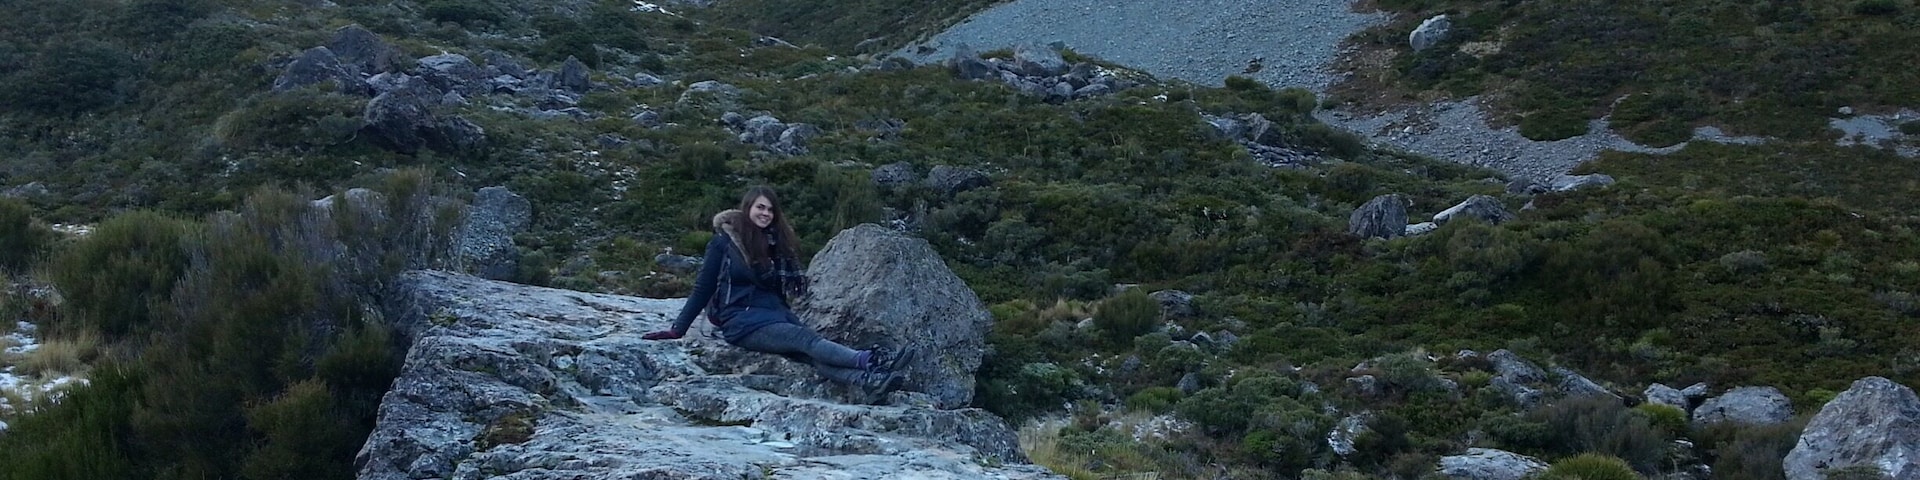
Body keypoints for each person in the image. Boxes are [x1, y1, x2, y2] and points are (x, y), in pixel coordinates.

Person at [641, 186, 911, 397]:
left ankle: (866, 382)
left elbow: (783, 289)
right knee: (805, 340)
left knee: (806, 351)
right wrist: (678, 329)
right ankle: (871, 361)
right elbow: (703, 288)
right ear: (748, 208)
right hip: (741, 320)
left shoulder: (776, 244)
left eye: (770, 210)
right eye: (760, 207)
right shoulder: (723, 243)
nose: (765, 213)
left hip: (773, 314)